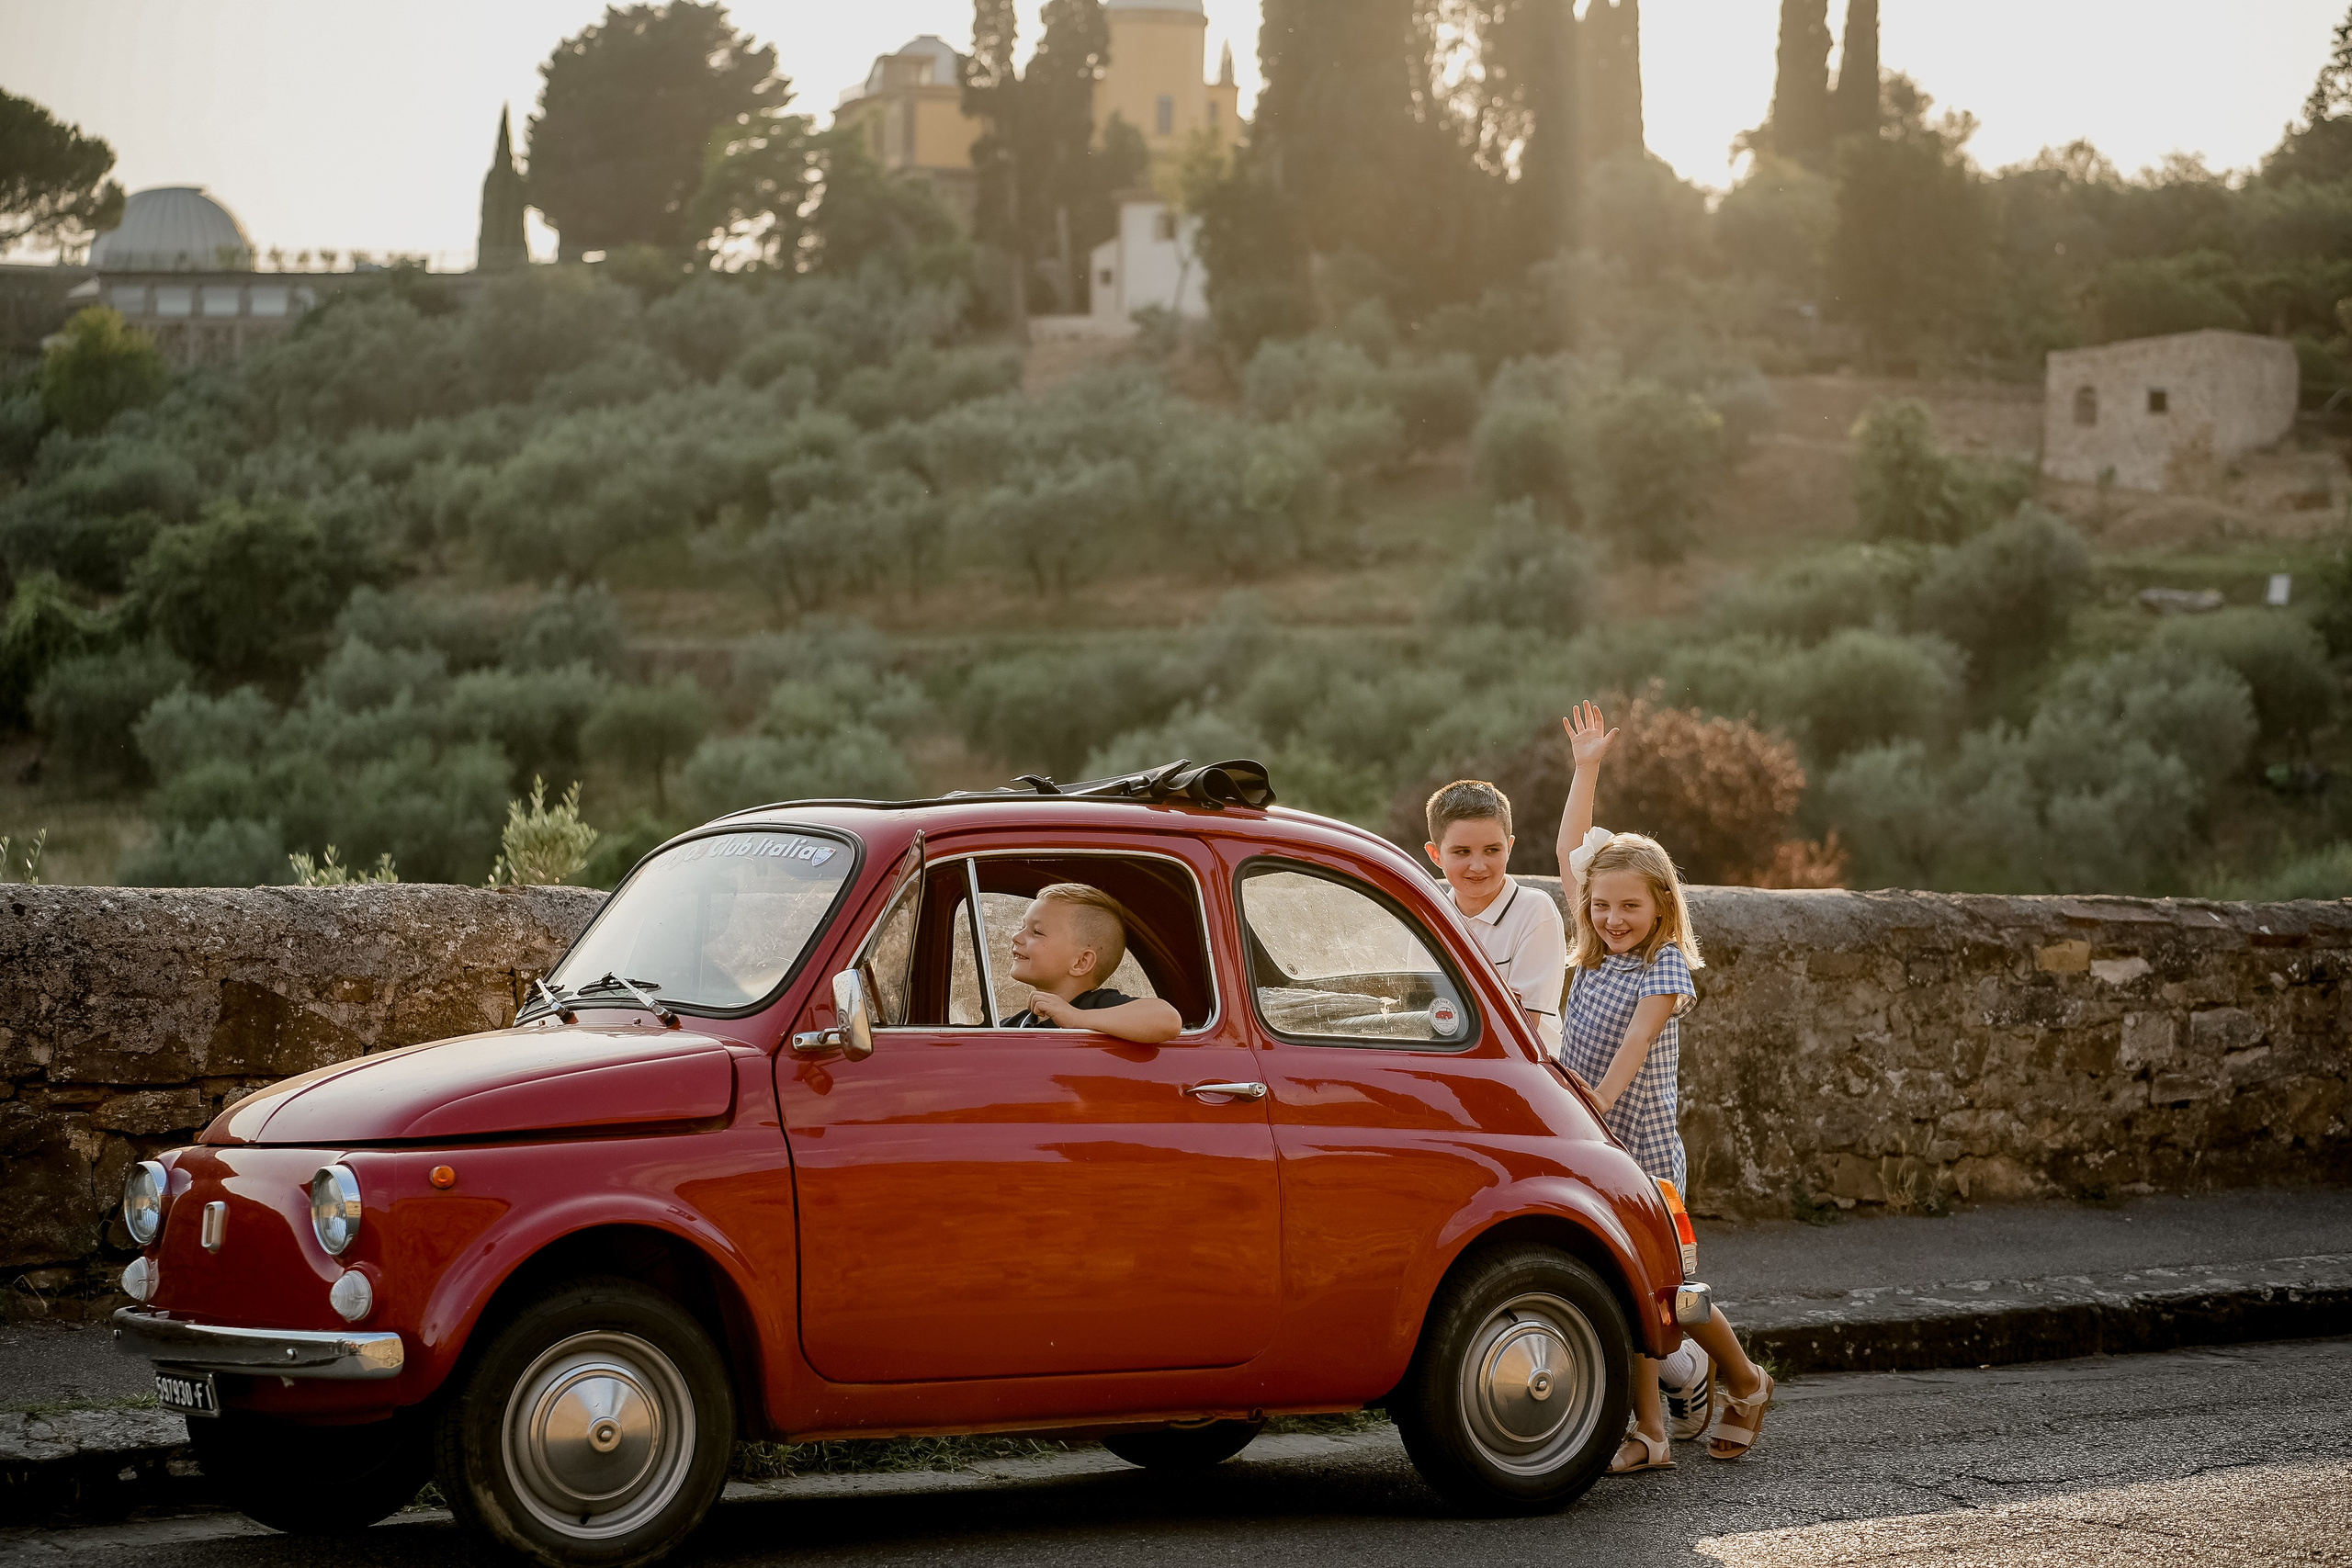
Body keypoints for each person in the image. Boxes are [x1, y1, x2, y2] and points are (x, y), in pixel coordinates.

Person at [1555, 828, 1775, 1472]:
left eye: (1630, 906)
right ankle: (1650, 1432)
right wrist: (1586, 766)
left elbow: (1639, 1040)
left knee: (1674, 1291)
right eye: (1601, 905)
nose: (1612, 918)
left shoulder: (1665, 963)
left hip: (1646, 1160)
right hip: (1598, 1153)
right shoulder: (1592, 955)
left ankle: (1744, 1377)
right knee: (1625, 1289)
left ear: (1660, 906)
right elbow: (1572, 850)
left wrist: (1591, 1103)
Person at [1419, 702, 1613, 1055]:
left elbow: (1520, 1030)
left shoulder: (1534, 911)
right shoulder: (1428, 915)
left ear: (1509, 847)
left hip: (1523, 1074)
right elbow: (1418, 1013)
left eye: (1492, 851)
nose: (1478, 866)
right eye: (1462, 852)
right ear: (1435, 855)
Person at [999, 882, 1182, 1044]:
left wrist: (1076, 1018)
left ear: (1081, 962)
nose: (1016, 937)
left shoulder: (1096, 1005)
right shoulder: (1012, 1026)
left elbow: (1168, 1019)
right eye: (1022, 927)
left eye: (1037, 932)